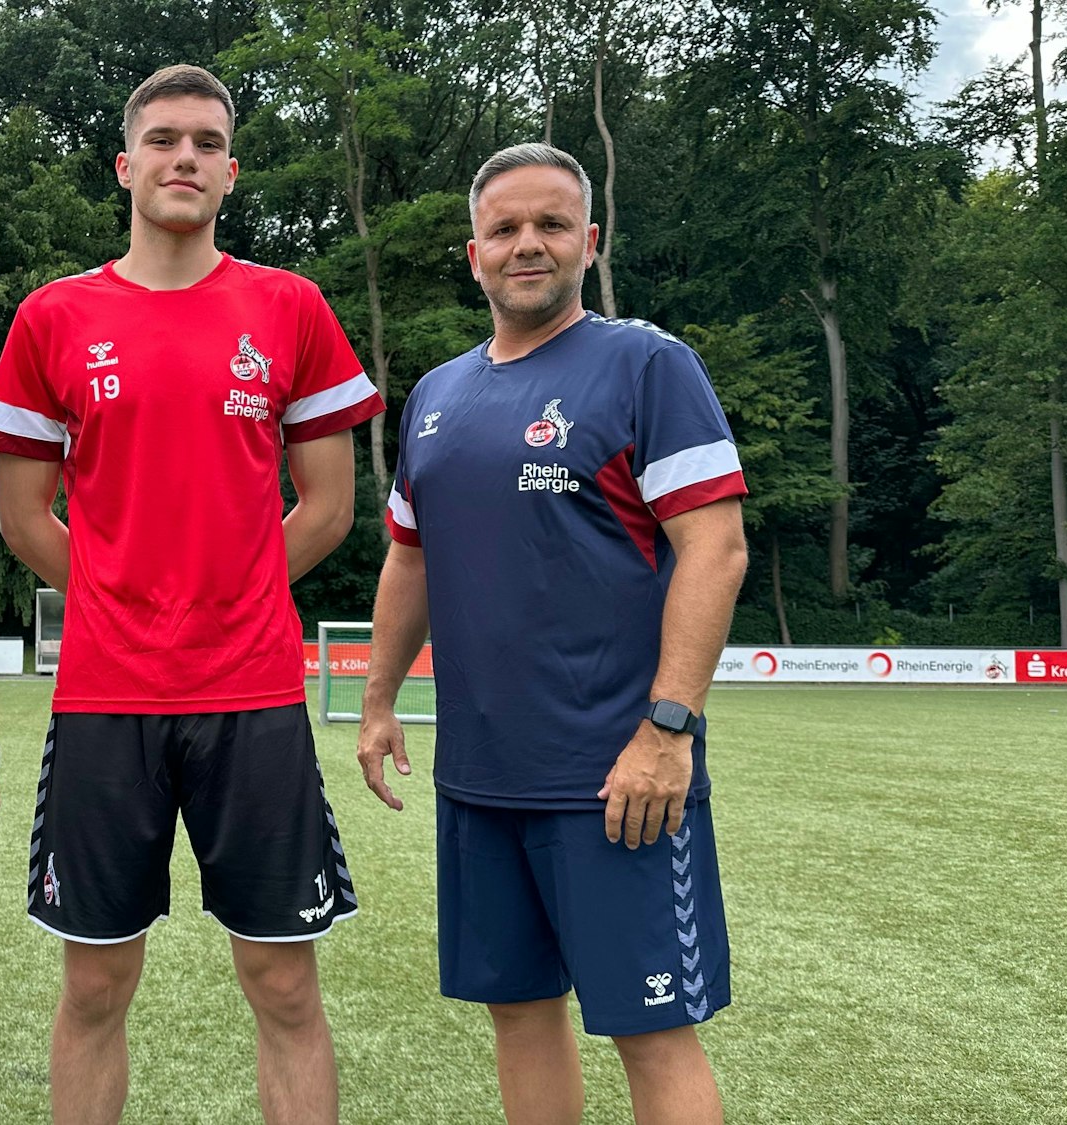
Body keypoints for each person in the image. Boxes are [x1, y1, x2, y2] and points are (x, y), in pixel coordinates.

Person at [0, 64, 382, 1125]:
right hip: (106, 696)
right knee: (94, 983)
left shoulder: (289, 307)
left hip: (252, 692)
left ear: (230, 171)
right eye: (162, 140)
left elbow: (329, 507)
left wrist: (223, 593)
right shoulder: (53, 316)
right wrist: (127, 598)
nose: (184, 158)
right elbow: (23, 518)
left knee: (284, 982)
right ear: (125, 165)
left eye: (206, 142)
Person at [356, 143, 750, 1125]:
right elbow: (409, 559)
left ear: (589, 240)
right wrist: (377, 698)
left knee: (651, 1032)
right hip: (478, 776)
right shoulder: (436, 395)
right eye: (504, 229)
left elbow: (714, 549)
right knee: (519, 1013)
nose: (526, 244)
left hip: (615, 779)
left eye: (550, 224)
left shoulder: (647, 366)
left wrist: (667, 729)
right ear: (473, 253)